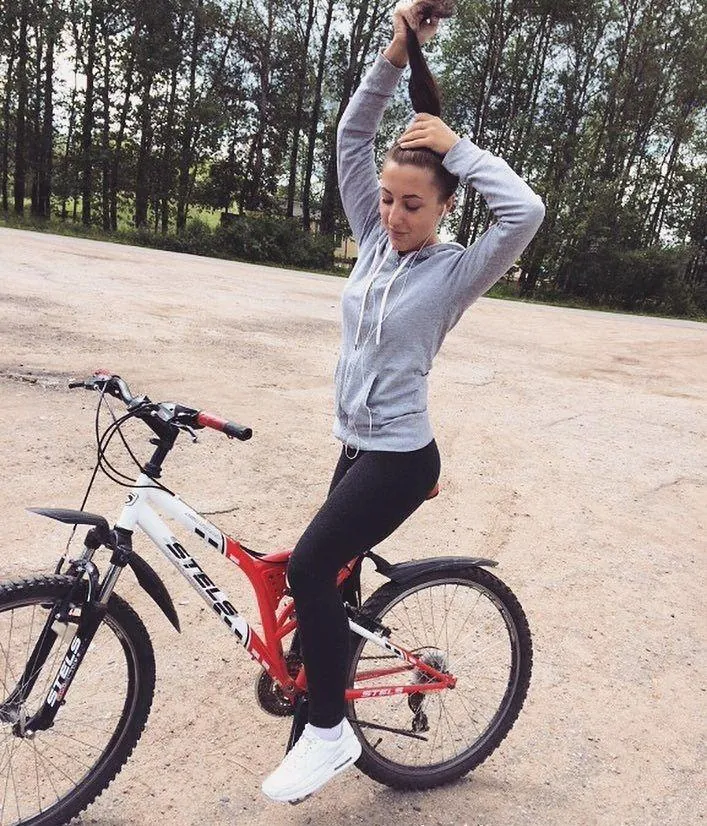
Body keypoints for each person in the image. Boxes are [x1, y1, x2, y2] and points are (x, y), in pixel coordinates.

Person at [261, 0, 545, 804]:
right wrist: (395, 50)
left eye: (411, 204)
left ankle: (327, 735)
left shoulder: (456, 272)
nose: (391, 216)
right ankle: (321, 712)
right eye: (386, 199)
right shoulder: (374, 243)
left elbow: (525, 211)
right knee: (330, 581)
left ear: (446, 205)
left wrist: (457, 147)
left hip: (400, 457)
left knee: (309, 566)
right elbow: (352, 135)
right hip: (356, 445)